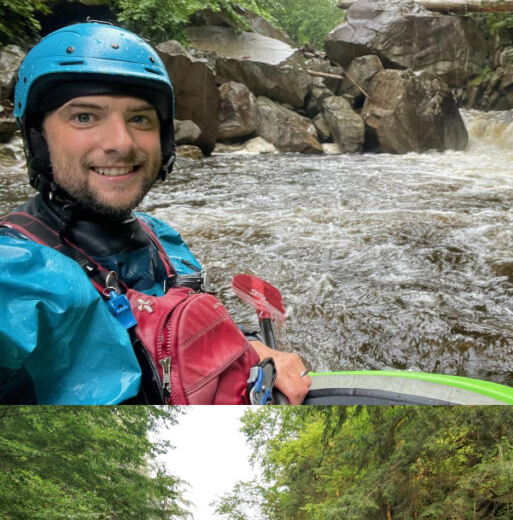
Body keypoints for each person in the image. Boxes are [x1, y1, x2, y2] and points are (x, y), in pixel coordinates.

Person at [0, 21, 312, 404]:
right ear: (38, 137)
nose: (122, 142)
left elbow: (192, 330)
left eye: (139, 119)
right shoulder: (13, 274)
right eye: (84, 116)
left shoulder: (160, 237)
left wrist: (254, 348)